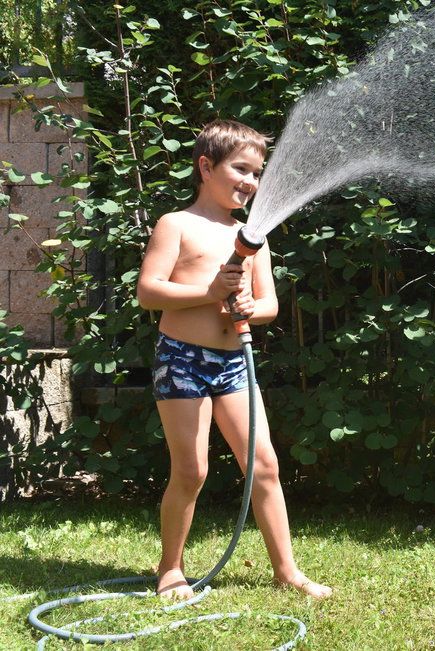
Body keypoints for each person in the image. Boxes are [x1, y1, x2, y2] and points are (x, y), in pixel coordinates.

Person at [136, 120, 331, 600]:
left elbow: (270, 305)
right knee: (192, 470)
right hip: (182, 359)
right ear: (206, 167)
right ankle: (170, 569)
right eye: (240, 169)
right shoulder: (177, 225)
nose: (251, 181)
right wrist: (209, 293)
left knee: (263, 465)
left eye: (257, 172)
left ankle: (287, 571)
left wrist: (250, 307)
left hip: (233, 364)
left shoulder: (253, 233)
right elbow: (148, 292)